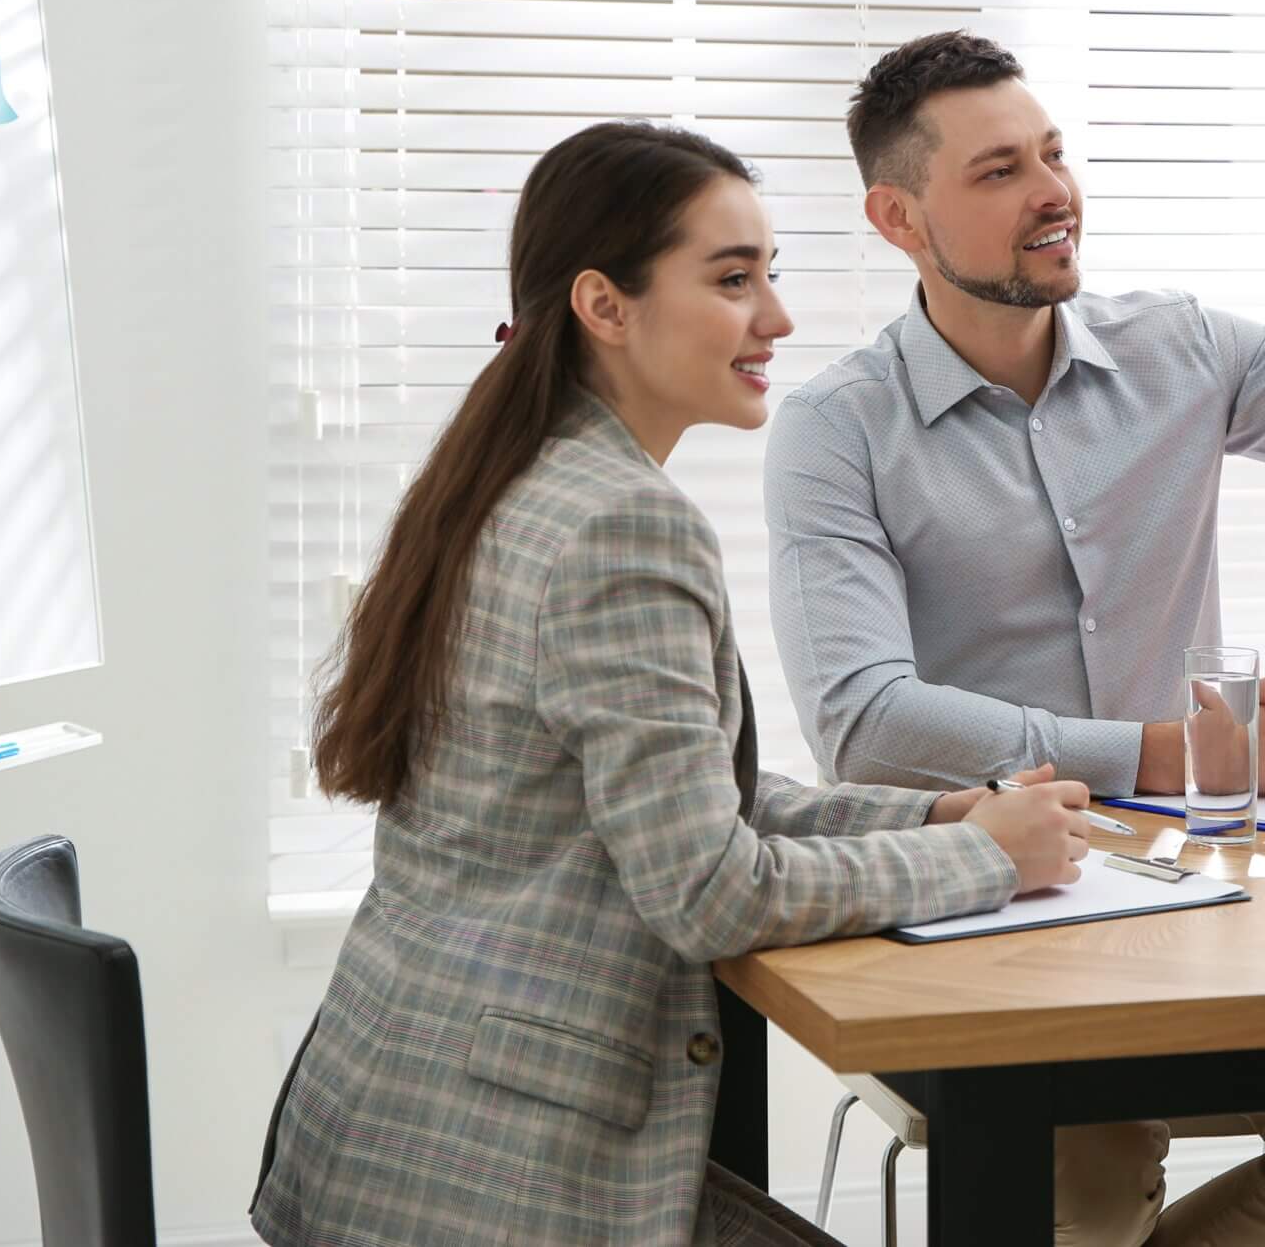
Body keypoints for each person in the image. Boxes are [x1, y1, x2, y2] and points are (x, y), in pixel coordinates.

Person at [763, 0, 1265, 1244]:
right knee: (1076, 1169)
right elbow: (864, 724)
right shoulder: (836, 429)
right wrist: (1160, 757)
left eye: (1052, 153)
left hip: (1198, 897)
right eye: (999, 170)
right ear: (897, 219)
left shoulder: (1182, 350)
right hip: (987, 900)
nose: (1050, 190)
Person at [250, 123, 1095, 1247]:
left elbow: (689, 803)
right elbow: (708, 890)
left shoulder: (525, 472)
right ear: (605, 305)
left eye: (771, 277)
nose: (777, 320)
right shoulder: (621, 524)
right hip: (503, 1184)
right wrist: (986, 857)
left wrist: (940, 811)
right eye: (733, 280)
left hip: (395, 1121)